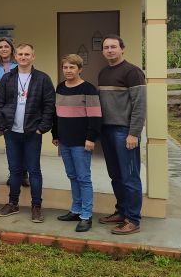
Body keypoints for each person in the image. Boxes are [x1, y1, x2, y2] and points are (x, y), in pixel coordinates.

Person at [0, 43, 55, 222]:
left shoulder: (43, 79)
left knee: (34, 171)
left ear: (33, 57)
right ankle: (13, 203)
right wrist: (4, 127)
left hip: (32, 133)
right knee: (14, 171)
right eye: (20, 54)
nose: (23, 57)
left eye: (27, 54)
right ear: (15, 57)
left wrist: (41, 129)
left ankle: (36, 206)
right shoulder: (7, 78)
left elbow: (49, 106)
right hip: (12, 132)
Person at [97, 34, 146, 235]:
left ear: (122, 49)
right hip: (107, 131)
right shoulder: (103, 73)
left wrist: (133, 133)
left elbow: (139, 105)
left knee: (130, 177)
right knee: (115, 175)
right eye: (106, 47)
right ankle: (121, 211)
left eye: (114, 47)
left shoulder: (133, 72)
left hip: (124, 131)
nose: (110, 50)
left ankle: (133, 219)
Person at [52, 54, 102, 232]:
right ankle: (76, 209)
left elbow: (95, 116)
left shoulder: (88, 89)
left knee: (83, 178)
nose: (68, 71)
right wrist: (55, 135)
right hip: (64, 141)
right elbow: (56, 114)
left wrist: (90, 138)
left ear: (79, 69)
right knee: (72, 176)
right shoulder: (60, 88)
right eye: (65, 67)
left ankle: (86, 215)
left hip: (82, 143)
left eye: (72, 67)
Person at [0, 37, 29, 188]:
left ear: (12, 49)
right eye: (1, 47)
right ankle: (14, 174)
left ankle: (24, 174)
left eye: (6, 46)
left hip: (20, 110)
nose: (4, 49)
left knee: (24, 143)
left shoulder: (19, 65)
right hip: (4, 113)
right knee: (11, 145)